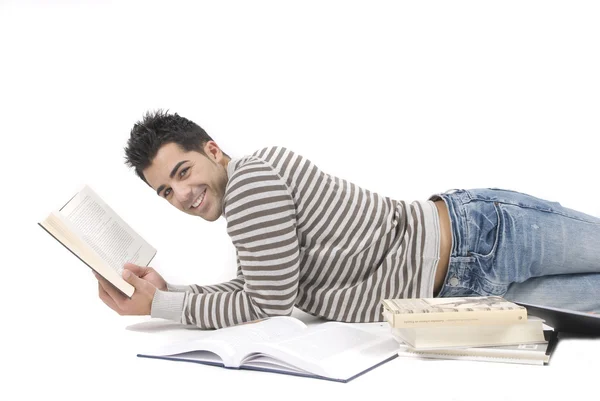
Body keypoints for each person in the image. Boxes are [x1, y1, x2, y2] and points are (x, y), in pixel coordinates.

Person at [95, 110, 600, 329]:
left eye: (183, 172)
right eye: (166, 191)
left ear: (213, 150)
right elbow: (256, 290)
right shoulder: (248, 214)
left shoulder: (250, 181)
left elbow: (266, 306)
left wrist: (159, 308)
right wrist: (167, 297)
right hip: (462, 288)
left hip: (485, 235)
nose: (182, 194)